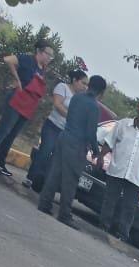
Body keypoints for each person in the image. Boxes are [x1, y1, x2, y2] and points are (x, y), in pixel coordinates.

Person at [37, 75, 106, 228]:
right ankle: (64, 214)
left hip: (64, 137)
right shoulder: (94, 106)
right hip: (76, 144)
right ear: (101, 92)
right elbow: (90, 132)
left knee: (55, 173)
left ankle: (44, 203)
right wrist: (96, 151)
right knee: (71, 179)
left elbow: (70, 118)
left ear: (89, 85)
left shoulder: (77, 98)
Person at [0, 40, 54, 177]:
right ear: (39, 51)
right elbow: (8, 59)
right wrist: (17, 78)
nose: (49, 58)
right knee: (4, 130)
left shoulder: (42, 68)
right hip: (16, 100)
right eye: (48, 54)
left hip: (27, 106)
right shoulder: (27, 59)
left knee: (12, 135)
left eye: (51, 56)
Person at [98, 100, 139, 241]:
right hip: (117, 171)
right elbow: (109, 142)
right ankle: (103, 226)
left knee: (129, 208)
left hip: (136, 178)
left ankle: (122, 234)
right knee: (110, 200)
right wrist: (101, 156)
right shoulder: (123, 125)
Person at [25, 68, 88, 189]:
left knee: (55, 159)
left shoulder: (80, 97)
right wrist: (72, 117)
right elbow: (58, 104)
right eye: (83, 83)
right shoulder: (62, 87)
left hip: (66, 132)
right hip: (53, 126)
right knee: (45, 152)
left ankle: (41, 183)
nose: (85, 87)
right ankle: (30, 177)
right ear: (75, 80)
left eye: (86, 85)